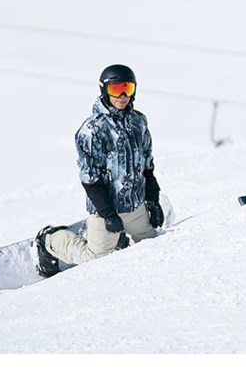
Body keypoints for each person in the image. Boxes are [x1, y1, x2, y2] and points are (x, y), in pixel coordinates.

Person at [34, 64, 165, 277]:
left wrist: (152, 199)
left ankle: (122, 236)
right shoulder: (92, 130)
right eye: (115, 89)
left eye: (128, 89)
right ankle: (50, 239)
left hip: (135, 205)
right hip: (105, 210)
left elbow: (147, 165)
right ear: (104, 90)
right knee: (95, 260)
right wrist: (109, 215)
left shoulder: (138, 121)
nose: (122, 96)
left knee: (151, 246)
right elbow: (90, 180)